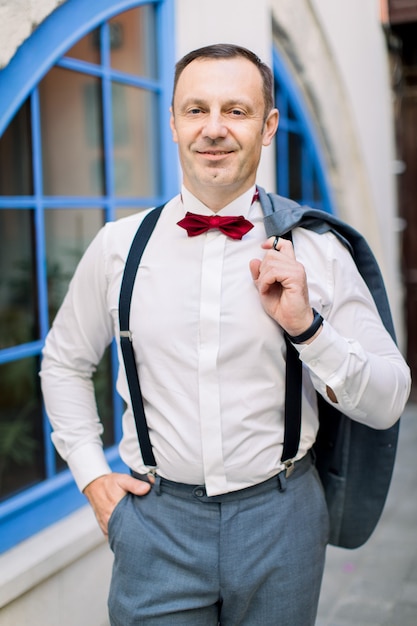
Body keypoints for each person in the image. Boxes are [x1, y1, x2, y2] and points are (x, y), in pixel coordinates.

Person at [40, 43, 411, 625]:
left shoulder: (317, 250)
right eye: (196, 110)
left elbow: (390, 399)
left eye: (235, 111)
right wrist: (91, 474)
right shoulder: (118, 247)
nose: (214, 129)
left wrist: (309, 331)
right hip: (156, 525)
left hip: (283, 519)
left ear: (268, 127)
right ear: (174, 123)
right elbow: (62, 363)